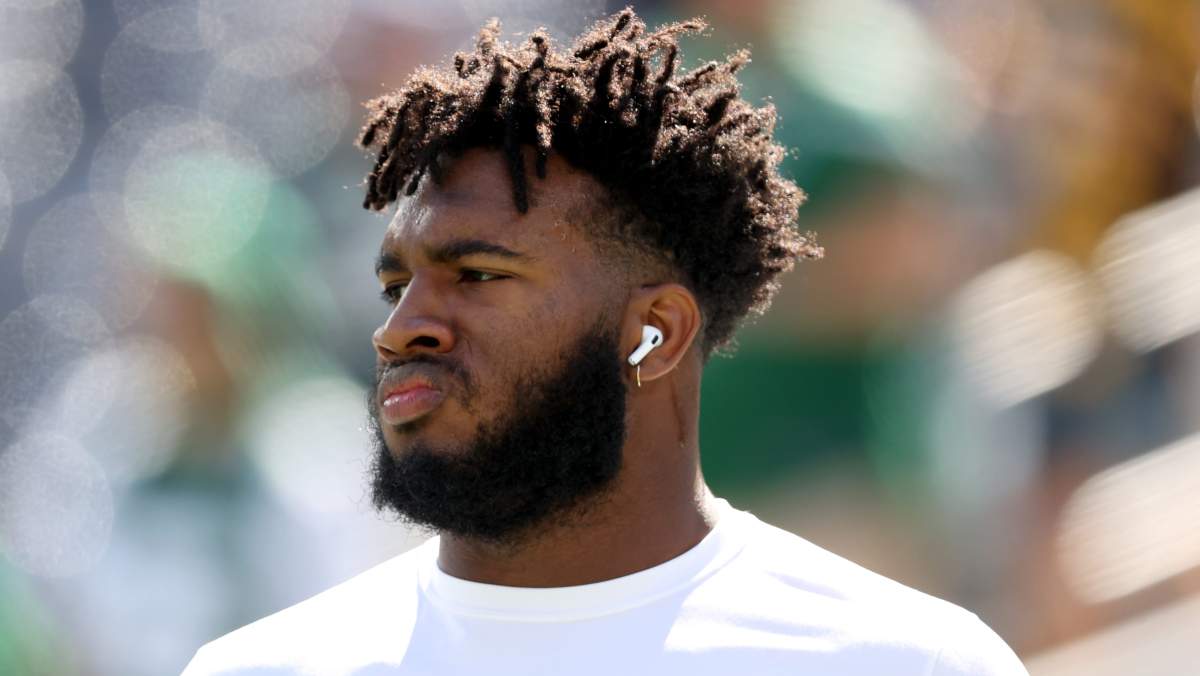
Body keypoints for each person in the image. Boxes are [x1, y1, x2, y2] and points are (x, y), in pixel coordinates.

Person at [182, 8, 1028, 675]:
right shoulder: (257, 670)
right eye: (396, 286)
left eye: (478, 275)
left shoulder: (905, 662)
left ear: (656, 333)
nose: (401, 329)